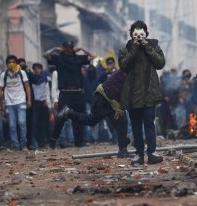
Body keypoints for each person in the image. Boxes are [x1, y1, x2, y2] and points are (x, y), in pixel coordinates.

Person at [118, 20, 165, 165]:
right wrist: (134, 50)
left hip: (149, 93)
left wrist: (148, 48)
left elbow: (160, 63)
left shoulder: (154, 46)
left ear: (146, 33)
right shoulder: (125, 49)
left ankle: (152, 153)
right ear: (132, 34)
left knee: (149, 124)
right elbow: (124, 66)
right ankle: (139, 154)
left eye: (141, 33)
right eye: (135, 34)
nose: (139, 36)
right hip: (133, 95)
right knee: (136, 126)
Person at [58, 69, 131, 158]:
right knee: (121, 122)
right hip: (104, 99)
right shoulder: (128, 72)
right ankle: (123, 150)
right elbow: (120, 93)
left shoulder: (125, 71)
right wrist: (119, 110)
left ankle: (68, 112)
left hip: (103, 98)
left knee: (92, 120)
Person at [44, 41, 95, 148]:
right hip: (65, 94)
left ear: (73, 48)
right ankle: (53, 141)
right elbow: (45, 55)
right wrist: (55, 48)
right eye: (66, 47)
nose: (68, 49)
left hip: (78, 93)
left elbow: (93, 56)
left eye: (70, 47)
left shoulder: (78, 58)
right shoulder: (58, 58)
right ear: (63, 48)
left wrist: (81, 49)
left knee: (80, 118)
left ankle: (79, 141)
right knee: (61, 118)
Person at [0, 55, 32, 151]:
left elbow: (27, 87)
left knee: (22, 123)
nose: (11, 63)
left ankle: (24, 144)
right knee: (12, 125)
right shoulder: (3, 75)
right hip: (9, 103)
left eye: (13, 62)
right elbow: (0, 89)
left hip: (21, 102)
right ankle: (15, 145)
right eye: (9, 62)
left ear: (16, 63)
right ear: (7, 64)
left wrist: (29, 100)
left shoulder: (22, 73)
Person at [29, 63, 51, 149]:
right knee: (35, 124)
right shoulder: (31, 80)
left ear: (41, 69)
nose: (36, 70)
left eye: (38, 68)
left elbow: (48, 90)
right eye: (35, 69)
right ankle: (37, 143)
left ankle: (46, 142)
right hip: (35, 104)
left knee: (45, 124)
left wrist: (48, 101)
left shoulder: (46, 79)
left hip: (44, 103)